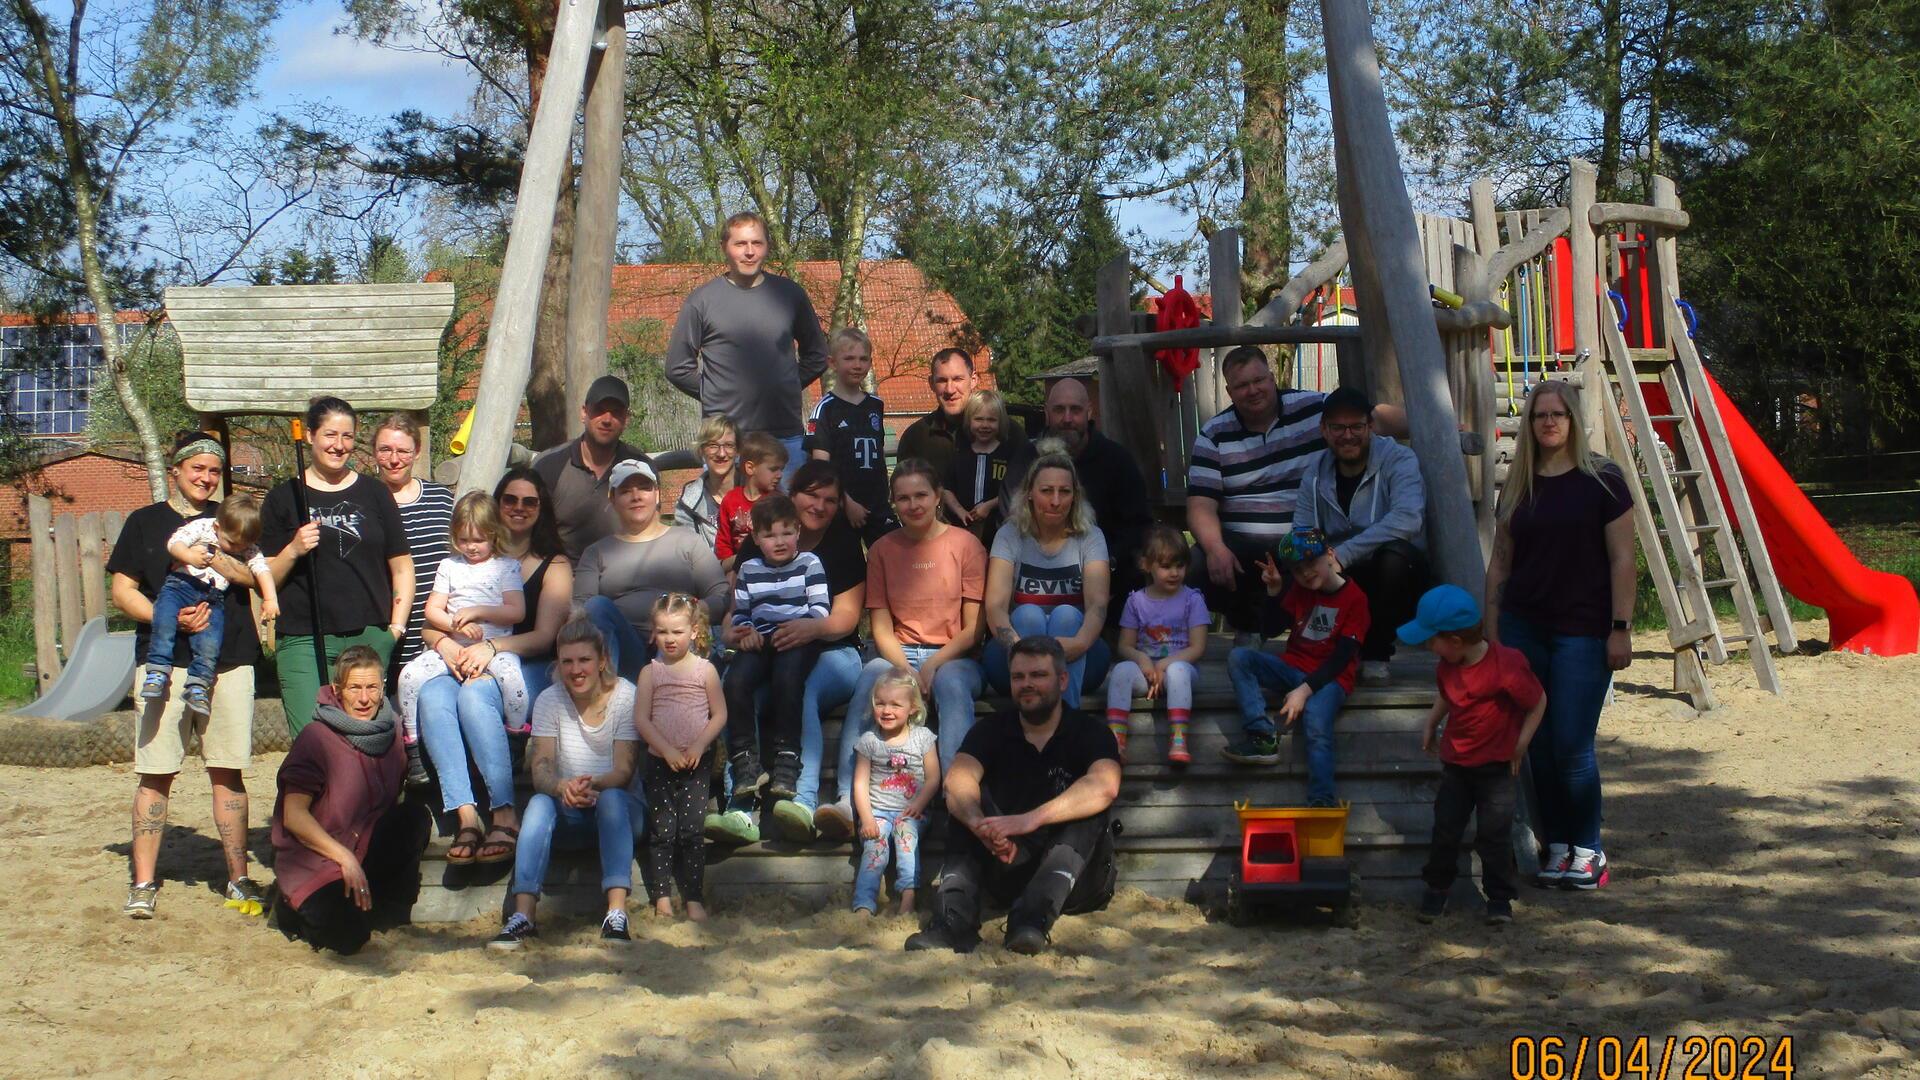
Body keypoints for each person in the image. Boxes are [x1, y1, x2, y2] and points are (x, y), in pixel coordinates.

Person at [1484, 380, 1635, 891]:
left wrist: (1621, 628)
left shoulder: (1604, 480)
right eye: (1539, 415)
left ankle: (1589, 847)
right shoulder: (1520, 483)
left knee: (1573, 743)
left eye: (1558, 414)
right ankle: (1560, 847)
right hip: (1524, 626)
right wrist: (1491, 631)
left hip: (1583, 630)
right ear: (1528, 424)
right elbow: (1500, 562)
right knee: (1540, 745)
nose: (1548, 422)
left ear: (1573, 420)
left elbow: (1623, 560)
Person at [111, 432, 269, 919]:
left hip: (230, 659)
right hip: (164, 661)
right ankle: (142, 882)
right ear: (176, 469)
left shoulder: (232, 521)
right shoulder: (144, 523)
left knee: (228, 769)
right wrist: (169, 616)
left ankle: (238, 878)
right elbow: (122, 589)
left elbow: (257, 575)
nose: (205, 478)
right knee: (156, 772)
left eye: (213, 471)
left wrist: (212, 553)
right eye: (196, 468)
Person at [906, 637, 1120, 956]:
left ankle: (1032, 921)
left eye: (1038, 675)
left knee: (1089, 812)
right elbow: (957, 780)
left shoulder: (1090, 732)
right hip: (1006, 866)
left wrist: (1027, 821)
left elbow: (1105, 786)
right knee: (964, 803)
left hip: (1076, 881)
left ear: (1062, 680)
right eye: (1018, 677)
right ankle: (953, 921)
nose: (1027, 684)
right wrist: (979, 823)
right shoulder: (991, 730)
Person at [814, 460, 986, 839]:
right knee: (872, 681)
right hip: (898, 652)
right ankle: (846, 798)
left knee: (952, 688)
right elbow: (880, 627)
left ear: (938, 496)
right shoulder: (882, 550)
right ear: (893, 503)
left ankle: (956, 796)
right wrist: (908, 670)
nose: (913, 505)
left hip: (953, 654)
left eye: (921, 495)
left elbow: (974, 629)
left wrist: (933, 665)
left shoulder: (966, 545)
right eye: (903, 498)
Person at [1188, 347, 1407, 640]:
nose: (1253, 390)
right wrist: (1215, 548)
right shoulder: (1213, 434)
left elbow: (1368, 416)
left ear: (1271, 377)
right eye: (1242, 385)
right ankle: (1245, 626)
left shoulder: (1313, 407)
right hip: (1242, 542)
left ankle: (1343, 642)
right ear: (1229, 390)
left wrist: (1433, 423)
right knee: (1197, 565)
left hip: (1309, 537)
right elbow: (1201, 504)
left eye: (1259, 380)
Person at [409, 468, 566, 871]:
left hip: (523, 664)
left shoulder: (552, 563)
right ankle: (465, 815)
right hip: (460, 654)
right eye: (510, 499)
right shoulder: (458, 562)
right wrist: (443, 642)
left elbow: (545, 637)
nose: (518, 508)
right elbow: (433, 621)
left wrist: (491, 646)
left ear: (541, 508)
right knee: (430, 695)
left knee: (476, 695)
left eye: (529, 501)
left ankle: (503, 811)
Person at [729, 460, 867, 840]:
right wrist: (741, 634)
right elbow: (734, 616)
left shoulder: (839, 545)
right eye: (811, 494)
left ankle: (801, 801)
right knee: (736, 688)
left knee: (800, 689)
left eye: (830, 499)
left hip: (833, 650)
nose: (820, 505)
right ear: (793, 495)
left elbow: (846, 619)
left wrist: (811, 628)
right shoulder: (757, 542)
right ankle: (738, 806)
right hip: (769, 645)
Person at [489, 618, 646, 949]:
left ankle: (616, 914)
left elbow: (624, 771)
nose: (576, 670)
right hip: (570, 809)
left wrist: (588, 786)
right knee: (538, 802)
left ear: (601, 660)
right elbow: (541, 766)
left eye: (584, 660)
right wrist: (563, 788)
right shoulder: (549, 699)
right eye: (568, 661)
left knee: (612, 798)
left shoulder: (626, 695)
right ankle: (523, 916)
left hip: (619, 811)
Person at [263, 396, 413, 735]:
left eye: (347, 436)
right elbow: (265, 577)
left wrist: (395, 630)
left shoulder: (374, 493)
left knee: (368, 740)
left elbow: (402, 567)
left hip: (369, 636)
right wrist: (293, 549)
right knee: (313, 741)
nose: (339, 445)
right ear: (311, 435)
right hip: (304, 638)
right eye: (330, 435)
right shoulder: (283, 498)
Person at [1400, 585, 1547, 925]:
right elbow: (1447, 697)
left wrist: (1521, 744)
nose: (1426, 646)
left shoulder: (1506, 666)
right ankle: (1437, 889)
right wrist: (1430, 723)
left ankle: (1499, 899)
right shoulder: (1446, 665)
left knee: (1494, 836)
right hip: (1456, 766)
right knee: (1446, 830)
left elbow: (1537, 702)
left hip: (1497, 769)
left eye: (1430, 640)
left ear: (1454, 641)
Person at [271, 646, 430, 955]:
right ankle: (291, 906)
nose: (364, 698)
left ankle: (383, 907)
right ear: (337, 690)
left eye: (372, 688)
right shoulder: (316, 738)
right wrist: (343, 857)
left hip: (365, 848)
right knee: (346, 939)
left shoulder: (393, 730)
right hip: (318, 858)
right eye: (354, 688)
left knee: (413, 817)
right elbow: (293, 815)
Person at [665, 210, 830, 472]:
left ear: (767, 247)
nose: (749, 251)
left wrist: (786, 384)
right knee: (729, 514)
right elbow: (677, 367)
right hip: (727, 441)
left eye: (757, 243)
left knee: (786, 513)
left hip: (785, 437)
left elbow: (818, 355)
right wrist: (714, 393)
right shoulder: (702, 301)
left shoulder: (790, 295)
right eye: (740, 244)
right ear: (725, 248)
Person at [1222, 528, 1369, 807]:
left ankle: (1321, 799)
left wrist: (1304, 690)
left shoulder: (1356, 599)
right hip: (1292, 667)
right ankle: (1262, 736)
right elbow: (1270, 628)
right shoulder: (1299, 589)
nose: (1306, 573)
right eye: (1298, 570)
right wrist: (1275, 592)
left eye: (1311, 563)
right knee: (1240, 657)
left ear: (1330, 555)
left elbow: (1342, 658)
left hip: (1330, 678)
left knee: (1315, 721)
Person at [715, 494, 830, 840]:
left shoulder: (810, 563)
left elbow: (821, 610)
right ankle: (745, 761)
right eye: (769, 535)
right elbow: (742, 614)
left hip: (798, 640)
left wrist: (802, 629)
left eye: (785, 533)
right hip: (762, 640)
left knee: (787, 680)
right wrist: (744, 634)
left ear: (797, 531)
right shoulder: (750, 570)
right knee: (735, 683)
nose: (778, 542)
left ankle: (786, 759)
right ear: (756, 539)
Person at [1294, 386, 1427, 684]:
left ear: (1370, 426)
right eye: (1338, 428)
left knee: (1394, 558)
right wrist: (1310, 559)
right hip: (1339, 570)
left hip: (1393, 573)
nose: (1348, 435)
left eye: (1356, 426)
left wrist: (1341, 554)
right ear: (1324, 430)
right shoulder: (1315, 469)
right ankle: (1300, 649)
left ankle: (1376, 655)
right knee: (1288, 560)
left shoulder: (1399, 459)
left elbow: (1408, 519)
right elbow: (1302, 528)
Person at [396, 493, 529, 786]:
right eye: (464, 539)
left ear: (494, 535)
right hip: (452, 647)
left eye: (478, 540)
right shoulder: (449, 566)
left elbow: (516, 611)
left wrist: (477, 612)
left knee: (514, 681)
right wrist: (456, 623)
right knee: (408, 676)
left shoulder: (505, 566)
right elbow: (432, 610)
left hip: (493, 649)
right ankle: (413, 745)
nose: (471, 547)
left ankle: (516, 740)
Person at [574, 459, 731, 680]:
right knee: (596, 607)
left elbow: (721, 596)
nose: (636, 496)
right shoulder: (596, 552)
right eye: (626, 491)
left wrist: (680, 614)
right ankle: (613, 698)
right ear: (613, 499)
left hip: (679, 647)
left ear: (657, 494)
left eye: (644, 488)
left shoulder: (687, 541)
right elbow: (582, 612)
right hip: (625, 651)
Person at [982, 447, 1113, 708]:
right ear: (1030, 493)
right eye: (1046, 491)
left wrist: (1079, 643)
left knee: (1067, 615)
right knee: (1027, 614)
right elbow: (995, 606)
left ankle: (1065, 719)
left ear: (1075, 496)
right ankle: (1030, 715)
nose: (1055, 501)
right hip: (1014, 656)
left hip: (1077, 654)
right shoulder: (1010, 534)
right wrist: (1020, 650)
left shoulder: (1090, 536)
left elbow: (1097, 605)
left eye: (1064, 492)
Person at [633, 593, 726, 922]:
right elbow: (642, 719)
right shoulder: (651, 672)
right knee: (662, 832)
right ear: (653, 633)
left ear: (695, 631)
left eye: (677, 631)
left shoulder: (706, 670)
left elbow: (719, 715)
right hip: (660, 761)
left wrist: (699, 746)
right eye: (662, 632)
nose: (669, 639)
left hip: (695, 763)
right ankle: (661, 897)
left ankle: (693, 897)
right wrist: (667, 749)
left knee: (691, 831)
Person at [140, 494, 277, 716]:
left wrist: (270, 599)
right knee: (164, 619)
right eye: (231, 543)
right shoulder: (203, 527)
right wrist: (189, 556)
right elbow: (174, 543)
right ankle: (158, 669)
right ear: (217, 526)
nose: (235, 549)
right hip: (180, 585)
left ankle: (198, 684)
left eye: (242, 546)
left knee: (210, 641)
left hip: (212, 596)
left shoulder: (245, 545)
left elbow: (262, 570)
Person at [1021, 377, 1153, 597]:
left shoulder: (1117, 461)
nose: (1067, 418)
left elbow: (1138, 526)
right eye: (1059, 410)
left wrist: (1105, 561)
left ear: (1089, 412)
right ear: (1046, 413)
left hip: (1107, 577)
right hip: (1037, 577)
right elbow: (1012, 517)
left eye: (1075, 410)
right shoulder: (1026, 459)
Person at [1104, 524, 1209, 763]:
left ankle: (1179, 738)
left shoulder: (1192, 600)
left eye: (1179, 566)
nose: (1174, 573)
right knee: (1120, 670)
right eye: (1166, 566)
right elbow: (1125, 645)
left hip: (1181, 670)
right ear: (1146, 565)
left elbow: (1198, 647)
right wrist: (1143, 661)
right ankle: (1115, 739)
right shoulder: (1136, 601)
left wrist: (1164, 665)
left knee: (1178, 671)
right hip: (1147, 673)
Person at [531, 374, 654, 562]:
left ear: (626, 419)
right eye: (599, 410)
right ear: (583, 413)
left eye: (616, 412)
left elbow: (653, 533)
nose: (607, 419)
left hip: (626, 575)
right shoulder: (549, 465)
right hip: (563, 576)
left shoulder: (640, 468)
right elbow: (529, 535)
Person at [851, 667, 941, 916]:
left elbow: (933, 778)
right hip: (877, 811)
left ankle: (908, 897)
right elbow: (860, 783)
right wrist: (867, 818)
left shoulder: (922, 738)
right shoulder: (869, 741)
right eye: (880, 703)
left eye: (895, 705)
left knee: (905, 836)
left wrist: (919, 805)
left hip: (912, 811)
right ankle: (864, 904)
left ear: (913, 708)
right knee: (874, 848)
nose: (887, 710)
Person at [374, 414, 455, 674]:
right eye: (385, 450)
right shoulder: (367, 502)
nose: (394, 459)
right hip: (386, 626)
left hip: (437, 629)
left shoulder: (442, 499)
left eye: (403, 451)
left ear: (417, 452)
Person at [805, 327, 894, 546]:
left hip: (878, 504)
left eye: (863, 359)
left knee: (894, 560)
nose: (857, 365)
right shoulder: (824, 409)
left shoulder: (876, 405)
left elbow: (878, 455)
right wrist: (846, 501)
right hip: (843, 507)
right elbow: (821, 468)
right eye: (849, 358)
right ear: (833, 363)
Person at [897, 347, 1029, 481]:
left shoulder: (1008, 433)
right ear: (931, 383)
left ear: (973, 380)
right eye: (942, 380)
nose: (950, 389)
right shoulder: (916, 438)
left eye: (957, 379)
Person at [942, 389, 1031, 544]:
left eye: (991, 420)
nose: (984, 425)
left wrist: (989, 506)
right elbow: (946, 488)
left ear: (1000, 422)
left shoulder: (1009, 454)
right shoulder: (960, 454)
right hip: (963, 529)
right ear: (969, 421)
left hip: (999, 529)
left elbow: (1020, 487)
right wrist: (960, 511)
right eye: (979, 419)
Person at [713, 431, 789, 567]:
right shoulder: (730, 500)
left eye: (781, 469)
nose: (780, 475)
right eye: (773, 469)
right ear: (750, 468)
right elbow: (724, 542)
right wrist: (729, 569)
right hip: (736, 567)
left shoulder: (778, 502)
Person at [673, 414, 739, 548]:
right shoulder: (688, 504)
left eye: (728, 445)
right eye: (713, 445)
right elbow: (688, 555)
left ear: (738, 450)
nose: (721, 453)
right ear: (702, 450)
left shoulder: (756, 491)